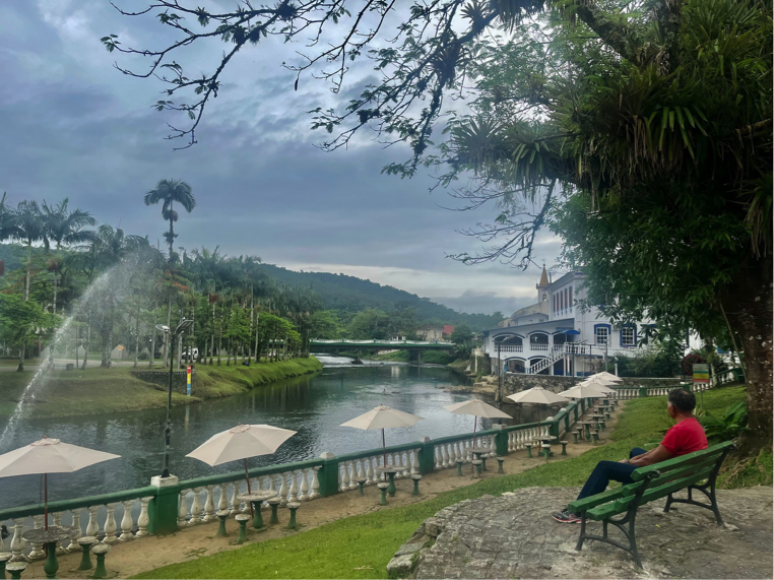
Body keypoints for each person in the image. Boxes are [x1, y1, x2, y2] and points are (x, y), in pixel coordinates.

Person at [552, 388, 708, 523]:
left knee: (604, 467)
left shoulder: (678, 430)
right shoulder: (694, 425)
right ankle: (629, 494)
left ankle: (578, 511)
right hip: (678, 470)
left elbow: (650, 460)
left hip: (663, 475)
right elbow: (659, 451)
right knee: (635, 451)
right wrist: (631, 460)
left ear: (673, 409)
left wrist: (626, 464)